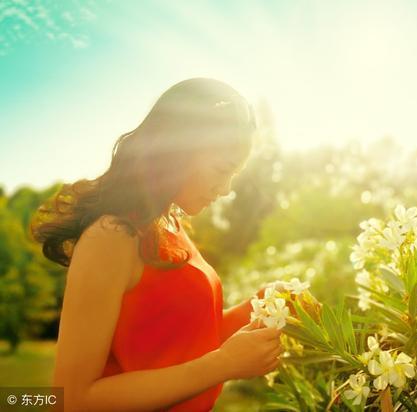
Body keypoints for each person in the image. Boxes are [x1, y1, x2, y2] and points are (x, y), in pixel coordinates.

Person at [30, 78, 282, 411]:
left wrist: (260, 306)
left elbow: (179, 343)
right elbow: (73, 399)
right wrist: (223, 365)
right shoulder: (113, 236)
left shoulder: (171, 223)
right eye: (222, 170)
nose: (225, 189)